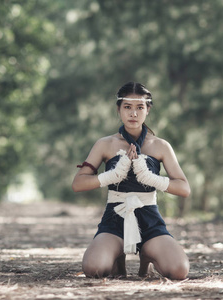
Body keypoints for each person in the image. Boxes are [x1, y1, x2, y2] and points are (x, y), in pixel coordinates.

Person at [72, 82, 190, 280]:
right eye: (127, 107)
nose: (133, 114)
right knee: (94, 269)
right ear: (118, 110)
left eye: (139, 107)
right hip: (115, 217)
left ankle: (147, 254)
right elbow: (78, 184)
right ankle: (118, 255)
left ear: (148, 110)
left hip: (150, 219)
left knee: (179, 270)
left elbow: (184, 188)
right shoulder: (105, 144)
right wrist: (110, 176)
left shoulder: (160, 146)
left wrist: (151, 179)